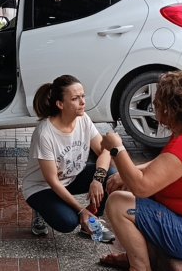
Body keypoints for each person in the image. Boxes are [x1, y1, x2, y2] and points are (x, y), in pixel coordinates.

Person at [99, 71, 182, 270]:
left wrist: (117, 149)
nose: (154, 106)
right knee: (126, 185)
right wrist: (125, 172)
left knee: (118, 203)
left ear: (169, 109)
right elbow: (166, 165)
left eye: (157, 102)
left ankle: (140, 266)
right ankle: (140, 254)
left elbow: (142, 187)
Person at [21, 75, 116, 243]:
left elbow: (105, 150)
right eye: (75, 98)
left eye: (82, 96)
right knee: (68, 222)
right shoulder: (45, 133)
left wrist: (98, 179)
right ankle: (42, 209)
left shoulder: (83, 119)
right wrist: (80, 210)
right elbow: (52, 181)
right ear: (60, 104)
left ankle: (91, 222)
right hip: (42, 187)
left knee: (111, 174)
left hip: (70, 177)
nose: (82, 102)